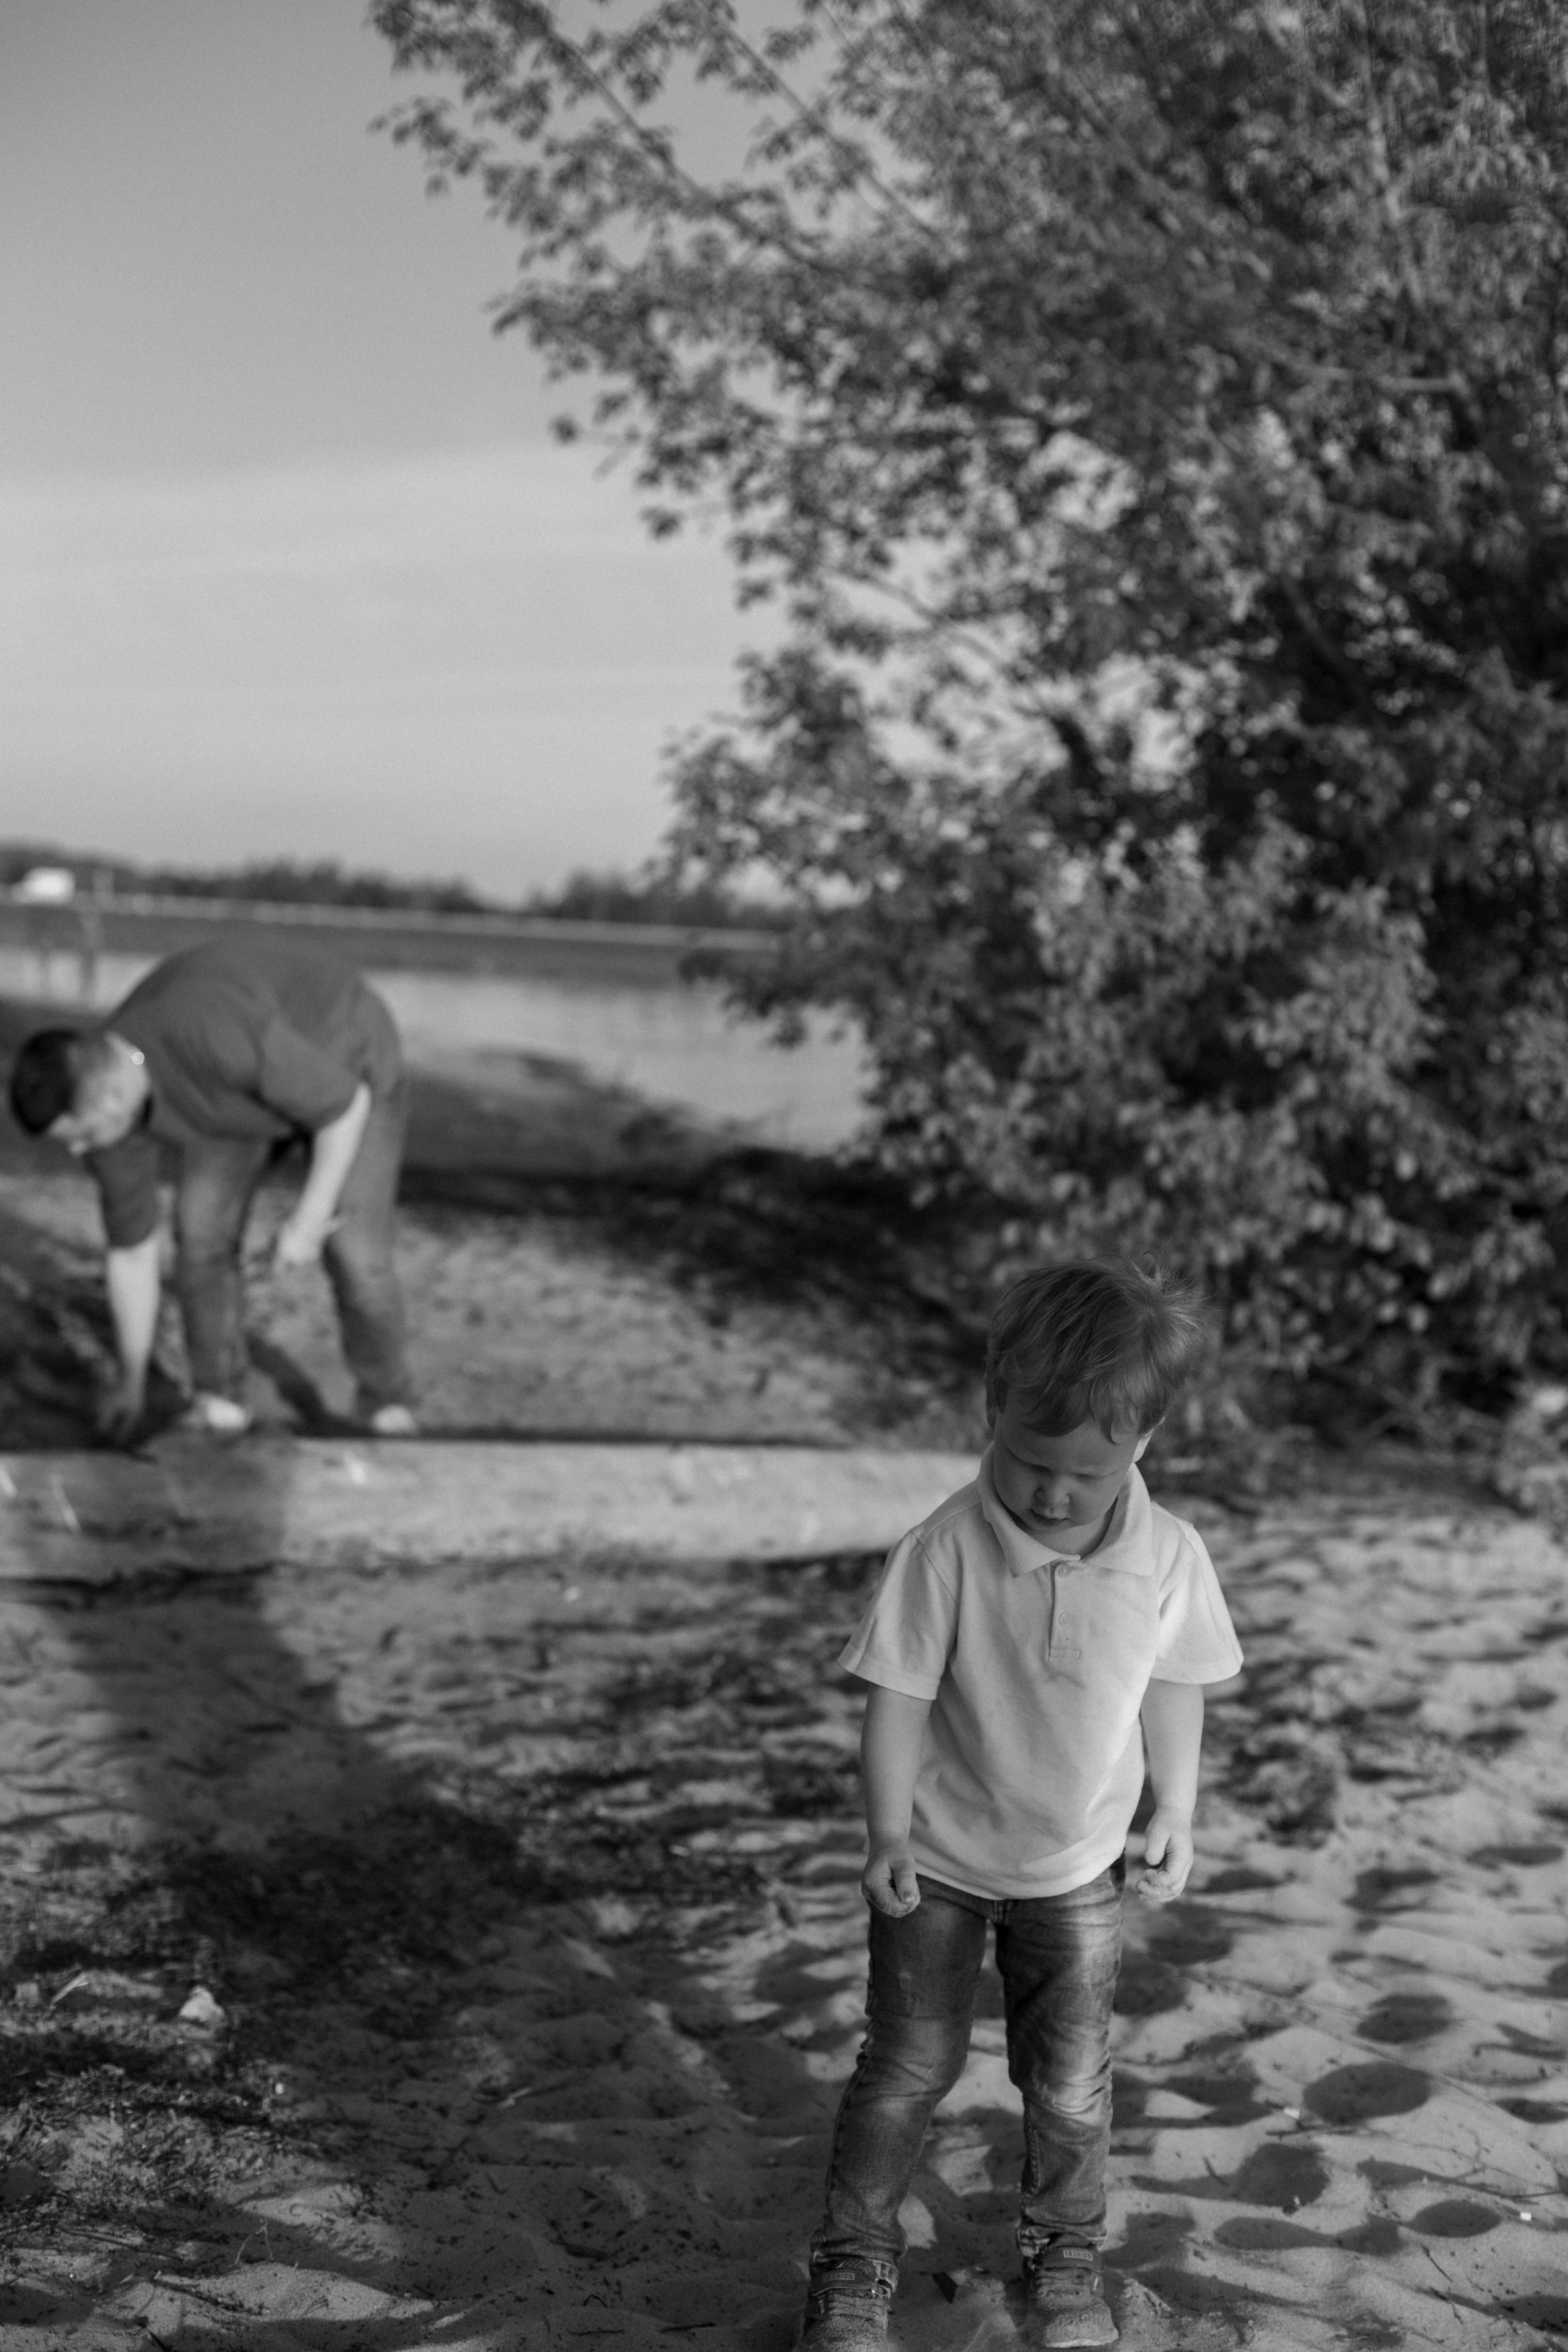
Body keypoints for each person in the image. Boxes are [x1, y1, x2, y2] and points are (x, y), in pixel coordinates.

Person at [802, 1259, 1243, 2351]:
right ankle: (854, 2269)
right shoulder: (945, 1549)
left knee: (1071, 2083)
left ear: (1141, 1446)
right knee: (907, 2068)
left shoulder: (1170, 1557)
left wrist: (1176, 1810)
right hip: (941, 1862)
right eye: (1029, 1461)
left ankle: (1065, 2258)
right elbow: (897, 1701)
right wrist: (887, 1833)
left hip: (1081, 1868)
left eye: (1084, 1476)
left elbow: (1175, 1683)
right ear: (990, 1413)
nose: (1050, 1494)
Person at [7, 932, 417, 1441]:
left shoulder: (209, 1033)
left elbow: (343, 1108)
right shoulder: (107, 1127)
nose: (78, 1152)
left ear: (111, 1096)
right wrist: (131, 1381)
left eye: (81, 1135)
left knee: (356, 1252)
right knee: (200, 1235)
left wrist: (307, 1223)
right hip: (233, 1107)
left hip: (347, 1059)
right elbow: (132, 1254)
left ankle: (385, 1401)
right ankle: (220, 1396)